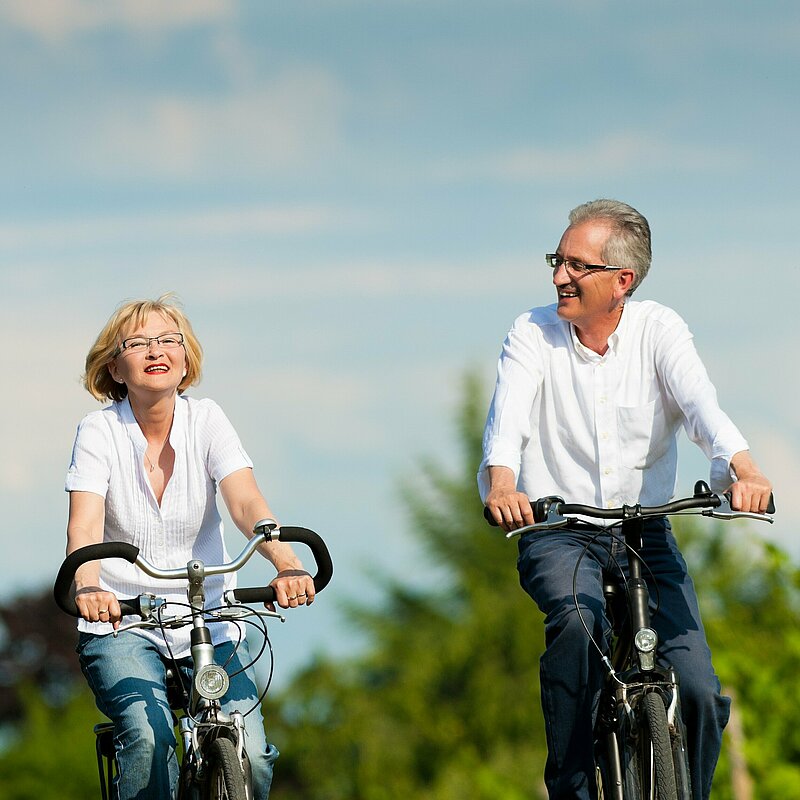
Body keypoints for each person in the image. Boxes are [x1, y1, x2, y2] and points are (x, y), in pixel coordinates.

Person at [478, 199, 772, 800]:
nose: (560, 276)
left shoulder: (660, 329)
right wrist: (504, 484)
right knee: (578, 623)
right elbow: (507, 422)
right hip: (561, 532)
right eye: (557, 262)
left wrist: (743, 468)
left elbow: (700, 408)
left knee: (694, 687)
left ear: (622, 281)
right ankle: (573, 787)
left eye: (576, 265)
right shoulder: (531, 332)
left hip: (645, 533)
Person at [65, 295, 315, 800]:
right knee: (148, 738)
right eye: (138, 343)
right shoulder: (98, 431)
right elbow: (85, 526)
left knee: (254, 750)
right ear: (114, 366)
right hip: (125, 622)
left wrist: (286, 563)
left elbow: (246, 502)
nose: (157, 350)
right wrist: (89, 584)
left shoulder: (207, 420)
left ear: (186, 356)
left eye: (169, 339)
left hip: (211, 620)